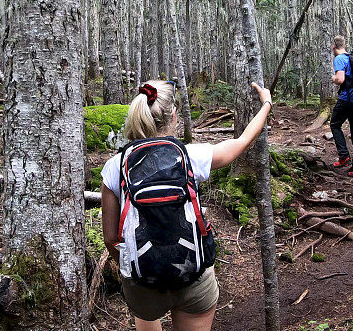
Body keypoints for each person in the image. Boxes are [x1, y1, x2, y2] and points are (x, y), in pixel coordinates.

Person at [101, 79, 273, 331]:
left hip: (142, 283)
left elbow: (110, 238)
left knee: (146, 315)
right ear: (173, 115)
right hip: (192, 276)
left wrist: (135, 266)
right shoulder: (191, 155)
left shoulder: (114, 167)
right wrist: (266, 103)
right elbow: (242, 141)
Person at [329, 35, 353, 177]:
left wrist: (333, 78)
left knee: (334, 124)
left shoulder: (339, 59)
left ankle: (344, 156)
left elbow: (340, 79)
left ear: (334, 47)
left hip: (348, 99)